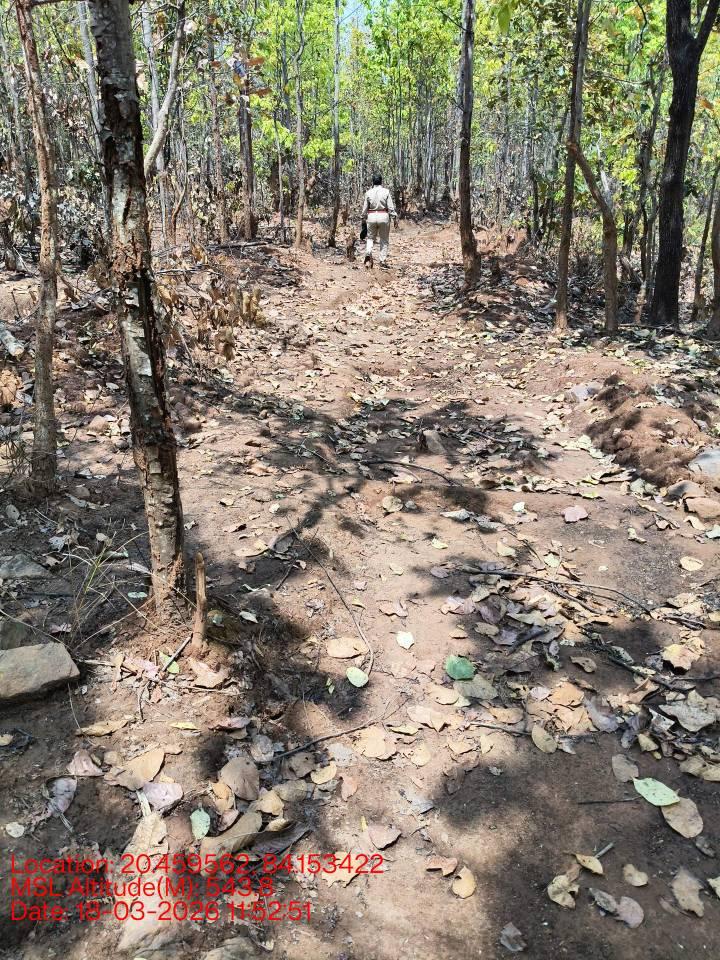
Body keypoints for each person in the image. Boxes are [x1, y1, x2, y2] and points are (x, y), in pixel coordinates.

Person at [361, 172, 398, 268]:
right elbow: (390, 207)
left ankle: (368, 252)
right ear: (381, 181)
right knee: (384, 240)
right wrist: (394, 218)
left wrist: (363, 218)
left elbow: (365, 208)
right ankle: (382, 260)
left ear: (373, 182)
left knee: (370, 238)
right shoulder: (386, 192)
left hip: (371, 216)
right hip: (383, 216)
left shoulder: (368, 193)